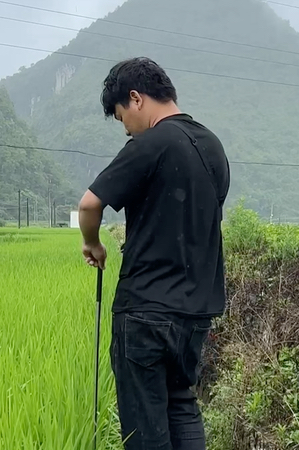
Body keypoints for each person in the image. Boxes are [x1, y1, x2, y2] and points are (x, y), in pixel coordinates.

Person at [77, 57, 230, 450]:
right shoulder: (213, 147)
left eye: (121, 116)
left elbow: (90, 204)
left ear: (136, 98)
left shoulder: (150, 143)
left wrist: (92, 243)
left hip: (145, 310)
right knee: (181, 404)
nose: (125, 126)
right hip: (195, 312)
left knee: (145, 425)